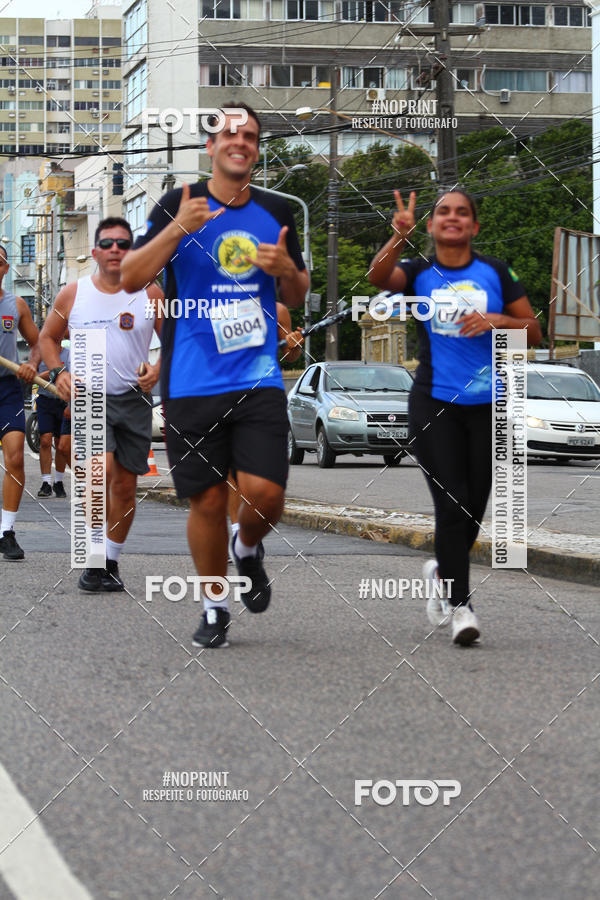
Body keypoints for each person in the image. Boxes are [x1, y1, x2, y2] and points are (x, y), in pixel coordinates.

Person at [121, 102, 308, 648]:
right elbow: (133, 274)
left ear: (255, 148)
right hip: (191, 380)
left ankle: (247, 547)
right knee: (205, 500)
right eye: (230, 133)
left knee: (266, 494)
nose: (240, 142)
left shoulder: (275, 211)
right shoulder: (176, 203)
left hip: (258, 377)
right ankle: (213, 606)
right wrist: (176, 230)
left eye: (249, 135)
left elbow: (297, 293)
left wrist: (285, 270)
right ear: (211, 145)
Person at [369, 189, 541, 645]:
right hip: (434, 404)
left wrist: (498, 320)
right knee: (452, 504)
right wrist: (398, 238)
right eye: (443, 212)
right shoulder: (418, 271)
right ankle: (461, 607)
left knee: (474, 508)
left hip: (488, 405)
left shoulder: (495, 273)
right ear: (431, 225)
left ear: (474, 226)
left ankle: (443, 574)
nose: (452, 218)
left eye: (462, 212)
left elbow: (535, 331)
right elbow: (378, 276)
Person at [40, 218, 163, 592]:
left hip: (135, 400)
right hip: (90, 396)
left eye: (122, 244)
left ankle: (108, 561)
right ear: (94, 252)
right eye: (107, 243)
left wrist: (157, 369)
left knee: (125, 487)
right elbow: (48, 337)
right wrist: (59, 371)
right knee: (98, 473)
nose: (114, 249)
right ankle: (93, 555)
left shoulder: (152, 294)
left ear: (132, 251)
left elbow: (176, 343)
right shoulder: (72, 293)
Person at [228, 302, 304, 544]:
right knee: (233, 472)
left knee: (264, 476)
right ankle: (237, 532)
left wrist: (295, 344)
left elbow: (290, 355)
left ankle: (250, 531)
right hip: (227, 392)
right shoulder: (220, 305)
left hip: (266, 394)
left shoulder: (279, 310)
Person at [0, 244, 40, 560]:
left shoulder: (17, 305)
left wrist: (33, 364)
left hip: (7, 389)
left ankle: (7, 532)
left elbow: (40, 343)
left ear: (5, 268)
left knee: (15, 457)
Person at [36, 343, 71, 499]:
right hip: (45, 401)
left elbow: (74, 377)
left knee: (60, 444)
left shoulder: (69, 354)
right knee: (44, 440)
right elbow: (32, 378)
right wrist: (52, 373)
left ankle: (58, 481)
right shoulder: (40, 354)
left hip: (64, 402)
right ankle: (46, 483)